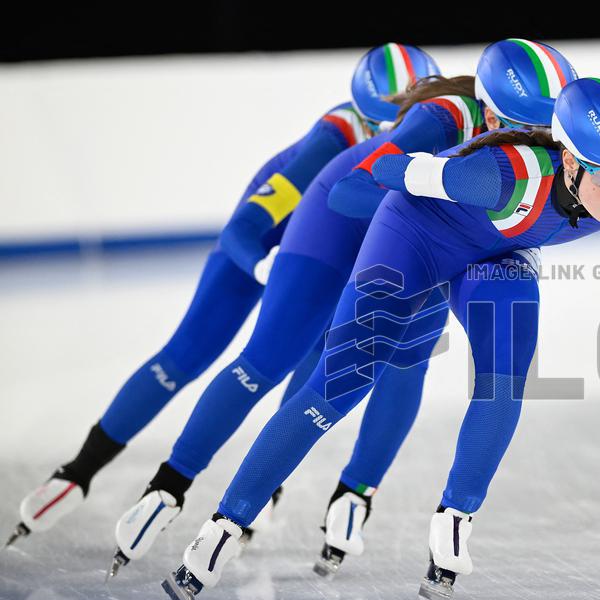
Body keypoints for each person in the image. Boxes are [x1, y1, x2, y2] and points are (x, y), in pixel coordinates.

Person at [162, 76, 600, 600]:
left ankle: (455, 519)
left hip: (495, 257)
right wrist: (422, 163)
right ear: (569, 161)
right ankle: (223, 525)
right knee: (338, 387)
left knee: (507, 373)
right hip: (415, 240)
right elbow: (385, 170)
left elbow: (592, 202)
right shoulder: (495, 175)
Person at [110, 39, 576, 579]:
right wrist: (441, 203)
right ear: (489, 111)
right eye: (521, 127)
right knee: (271, 358)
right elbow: (352, 191)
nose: (534, 142)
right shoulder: (441, 117)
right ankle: (170, 485)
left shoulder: (552, 145)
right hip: (342, 223)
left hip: (440, 236)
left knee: (406, 362)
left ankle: (355, 494)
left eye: (548, 133)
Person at [6, 43, 441, 549]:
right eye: (382, 130)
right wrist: (261, 265)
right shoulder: (331, 140)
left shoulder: (428, 129)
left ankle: (278, 483)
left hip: (332, 245)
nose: (395, 140)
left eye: (407, 128)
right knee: (189, 354)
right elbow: (247, 227)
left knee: (326, 352)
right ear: (364, 121)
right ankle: (80, 470)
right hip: (270, 243)